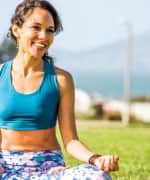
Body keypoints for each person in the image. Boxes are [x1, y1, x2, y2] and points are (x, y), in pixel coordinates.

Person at [0, 0, 119, 179]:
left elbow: (71, 141)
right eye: (36, 27)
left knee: (98, 175)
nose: (44, 36)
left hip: (48, 168)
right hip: (6, 167)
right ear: (16, 30)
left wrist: (95, 159)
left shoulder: (61, 80)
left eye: (50, 30)